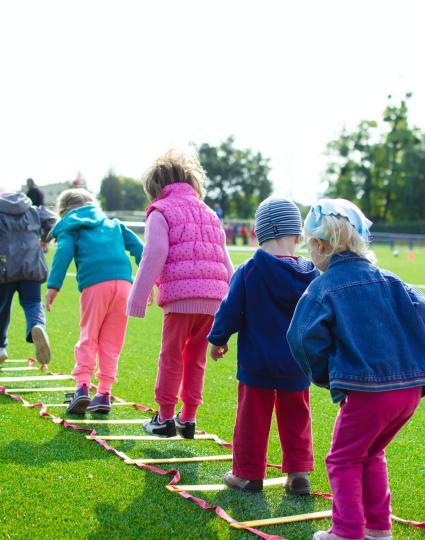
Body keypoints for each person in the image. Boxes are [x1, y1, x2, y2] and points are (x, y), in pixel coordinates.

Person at [287, 199, 425, 540]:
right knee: (371, 453)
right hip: (408, 392)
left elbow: (302, 338)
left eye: (309, 246)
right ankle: (378, 530)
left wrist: (324, 374)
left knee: (343, 459)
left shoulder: (323, 287)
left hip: (368, 393)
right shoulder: (392, 280)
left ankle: (347, 532)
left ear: (319, 246)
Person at [208, 197, 320, 494]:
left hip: (256, 362)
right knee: (297, 417)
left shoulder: (249, 270)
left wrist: (218, 339)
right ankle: (298, 474)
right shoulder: (313, 274)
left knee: (252, 419)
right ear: (297, 236)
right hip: (297, 363)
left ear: (257, 234)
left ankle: (248, 474)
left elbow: (230, 309)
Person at [127, 151, 233, 438]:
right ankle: (188, 418)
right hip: (214, 299)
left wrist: (139, 294)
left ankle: (163, 418)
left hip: (180, 298)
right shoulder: (209, 213)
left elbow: (155, 253)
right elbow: (225, 260)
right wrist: (233, 303)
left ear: (156, 187)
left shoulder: (160, 211)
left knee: (171, 356)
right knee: (195, 358)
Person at [46, 189, 143, 414]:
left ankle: (82, 388)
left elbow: (63, 253)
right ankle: (104, 393)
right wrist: (147, 283)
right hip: (124, 286)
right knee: (112, 340)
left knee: (89, 335)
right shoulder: (114, 224)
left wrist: (53, 286)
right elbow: (141, 250)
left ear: (64, 211)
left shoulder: (72, 227)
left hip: (95, 285)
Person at [0, 188, 55, 364]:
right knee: (33, 303)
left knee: (2, 308)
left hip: (4, 268)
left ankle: (0, 348)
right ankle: (36, 326)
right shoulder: (33, 210)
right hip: (32, 266)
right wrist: (45, 239)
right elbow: (52, 221)